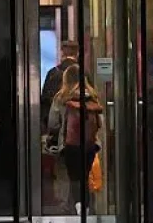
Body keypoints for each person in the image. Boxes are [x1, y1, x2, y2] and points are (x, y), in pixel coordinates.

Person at [47, 64, 104, 216]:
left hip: (70, 144)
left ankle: (78, 206)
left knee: (74, 177)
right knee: (85, 176)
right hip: (90, 144)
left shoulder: (61, 97)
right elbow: (100, 122)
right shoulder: (92, 96)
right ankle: (86, 207)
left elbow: (53, 123)